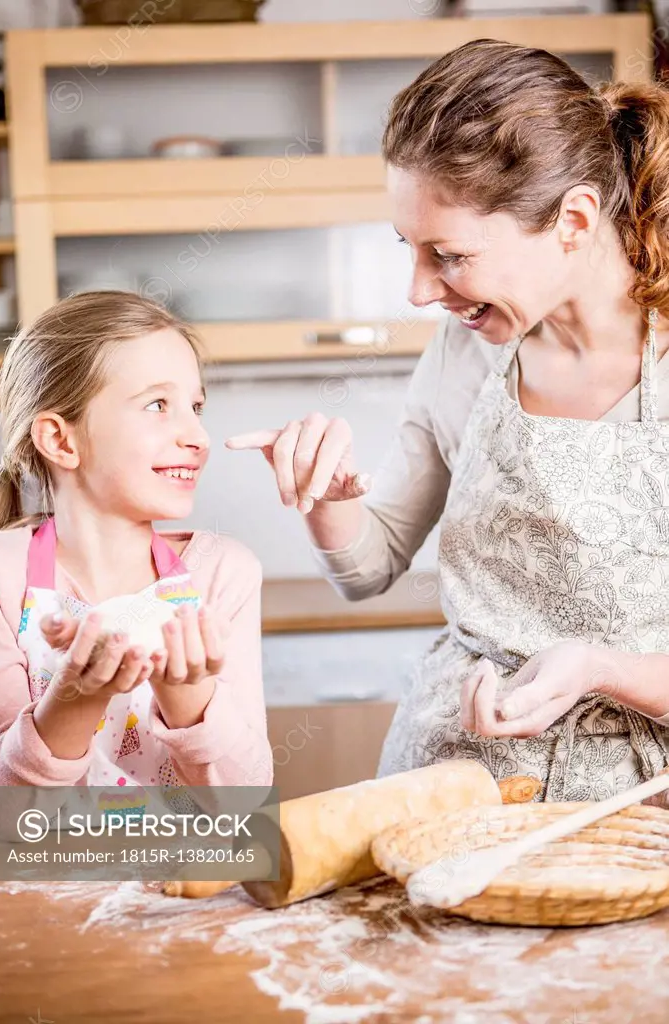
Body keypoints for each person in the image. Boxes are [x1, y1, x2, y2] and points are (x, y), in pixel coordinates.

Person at [226, 40, 669, 802]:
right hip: (452, 786)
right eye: (408, 248)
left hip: (641, 807)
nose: (419, 291)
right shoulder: (464, 356)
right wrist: (332, 501)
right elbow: (371, 566)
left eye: (450, 255)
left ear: (573, 218)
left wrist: (602, 670)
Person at [0, 290, 271, 789]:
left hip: (184, 870)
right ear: (60, 439)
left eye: (196, 406)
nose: (197, 436)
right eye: (158, 404)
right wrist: (77, 697)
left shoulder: (223, 574)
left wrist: (187, 695)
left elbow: (244, 813)